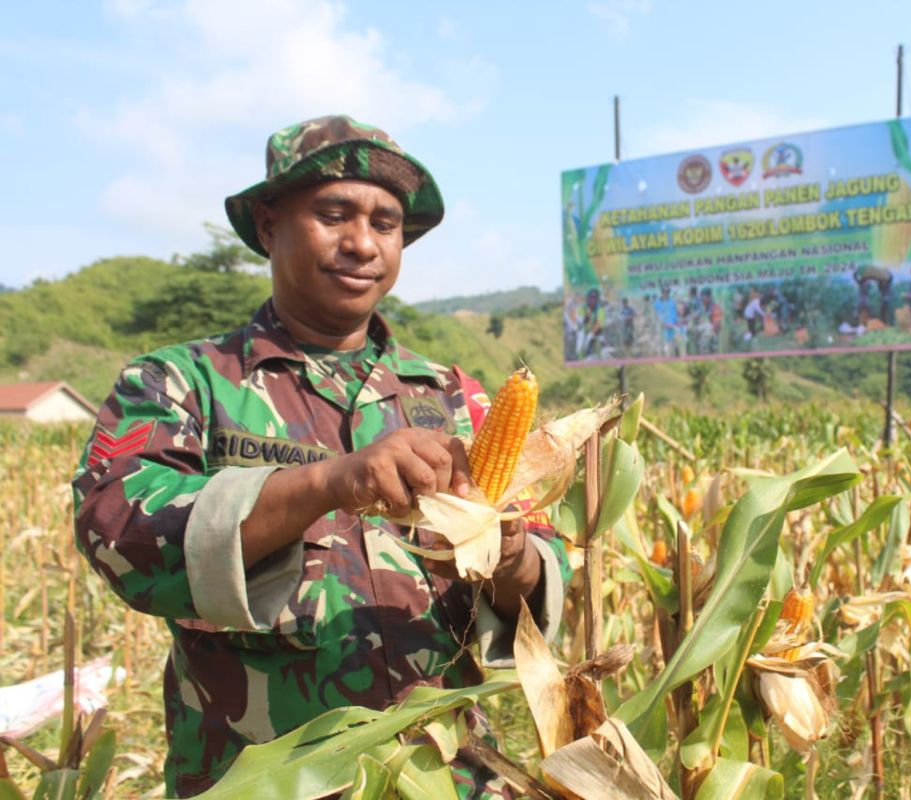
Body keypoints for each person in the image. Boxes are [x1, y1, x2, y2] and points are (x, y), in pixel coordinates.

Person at [71, 115, 570, 798]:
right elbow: (118, 532)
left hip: (448, 777)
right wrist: (329, 482)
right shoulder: (182, 382)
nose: (363, 243)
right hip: (267, 782)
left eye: (386, 224)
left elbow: (543, 569)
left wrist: (510, 554)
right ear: (270, 225)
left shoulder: (454, 397)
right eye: (334, 214)